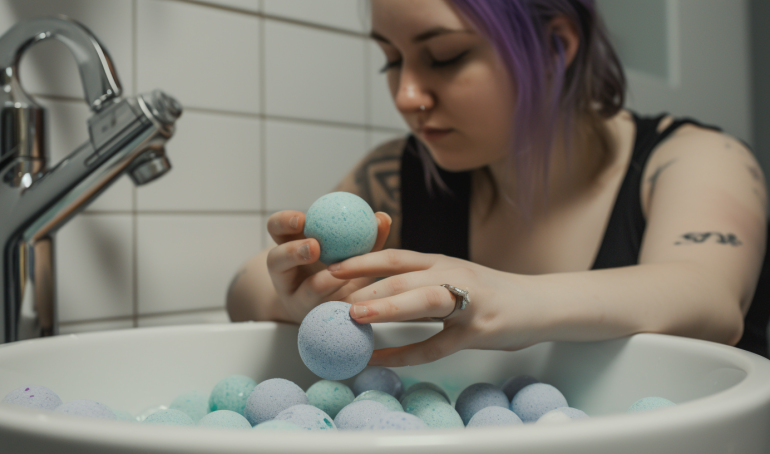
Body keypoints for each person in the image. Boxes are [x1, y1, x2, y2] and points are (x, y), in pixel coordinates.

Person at [227, 0, 769, 364]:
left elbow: (711, 302)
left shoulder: (692, 157)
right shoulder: (399, 171)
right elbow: (245, 286)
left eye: (446, 56)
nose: (406, 96)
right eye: (391, 61)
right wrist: (297, 298)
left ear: (557, 45)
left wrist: (513, 295)